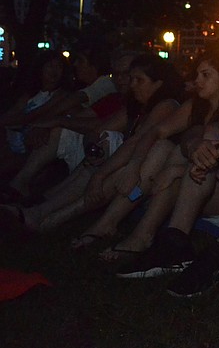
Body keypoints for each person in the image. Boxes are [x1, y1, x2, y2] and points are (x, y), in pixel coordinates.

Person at [70, 48, 219, 251]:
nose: (198, 80)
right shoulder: (195, 106)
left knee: (173, 157)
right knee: (161, 147)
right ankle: (114, 225)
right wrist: (135, 166)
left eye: (206, 75)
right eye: (196, 74)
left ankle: (133, 232)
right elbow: (154, 133)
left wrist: (173, 170)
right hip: (187, 180)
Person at [2, 54, 183, 233]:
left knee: (108, 147)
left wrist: (99, 173)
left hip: (145, 175)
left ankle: (45, 215)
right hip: (123, 165)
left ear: (158, 84)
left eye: (138, 80)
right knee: (101, 146)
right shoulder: (134, 106)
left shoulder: (166, 106)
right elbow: (99, 130)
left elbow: (138, 140)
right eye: (130, 78)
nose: (131, 84)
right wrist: (93, 149)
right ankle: (40, 208)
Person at [1, 51, 135, 202]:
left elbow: (101, 125)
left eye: (80, 60)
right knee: (60, 130)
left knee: (106, 137)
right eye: (116, 74)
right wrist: (49, 124)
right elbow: (79, 117)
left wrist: (55, 121)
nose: (119, 79)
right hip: (90, 149)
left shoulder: (106, 87)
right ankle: (27, 188)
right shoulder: (113, 98)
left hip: (119, 161)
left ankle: (44, 202)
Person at [0, 50, 73, 179]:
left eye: (59, 66)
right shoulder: (30, 95)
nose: (54, 70)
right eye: (50, 66)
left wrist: (16, 121)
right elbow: (12, 114)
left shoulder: (62, 95)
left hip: (31, 147)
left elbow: (36, 115)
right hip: (10, 142)